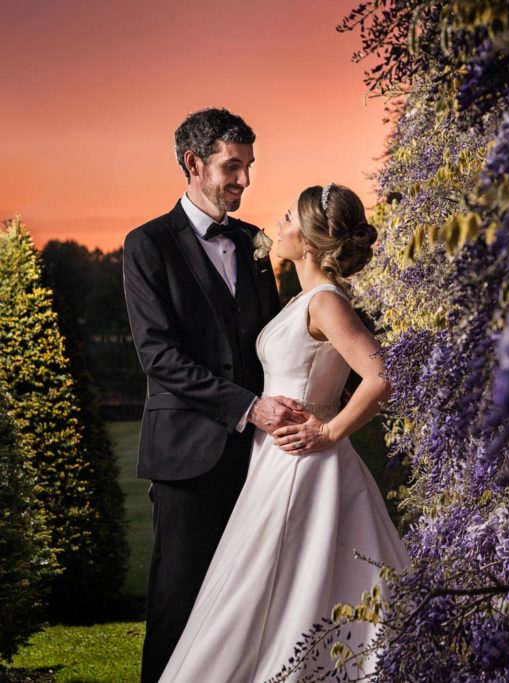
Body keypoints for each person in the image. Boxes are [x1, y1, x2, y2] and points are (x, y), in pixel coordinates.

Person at [158, 183, 409, 682]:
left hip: (304, 463)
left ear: (311, 242)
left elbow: (383, 374)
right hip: (277, 461)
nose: (278, 223)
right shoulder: (305, 299)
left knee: (277, 582)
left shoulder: (326, 303)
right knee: (277, 583)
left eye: (289, 218)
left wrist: (332, 431)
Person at [123, 108, 304, 683]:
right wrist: (248, 407)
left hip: (257, 455)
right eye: (232, 167)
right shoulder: (146, 244)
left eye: (248, 167)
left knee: (244, 604)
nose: (244, 181)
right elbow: (159, 357)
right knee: (178, 604)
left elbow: (272, 337)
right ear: (193, 163)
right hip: (187, 454)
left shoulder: (253, 242)